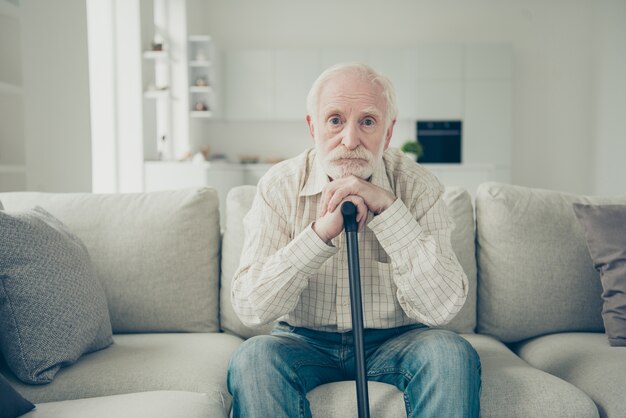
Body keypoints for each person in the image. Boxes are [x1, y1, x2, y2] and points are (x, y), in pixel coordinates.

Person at [227, 62, 481, 418]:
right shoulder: (278, 185)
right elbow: (252, 308)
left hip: (398, 340)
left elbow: (443, 307)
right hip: (303, 340)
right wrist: (320, 234)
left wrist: (389, 211)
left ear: (388, 133)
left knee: (452, 353)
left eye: (367, 122)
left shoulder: (418, 187)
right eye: (335, 120)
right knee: (253, 358)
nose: (350, 140)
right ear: (312, 126)